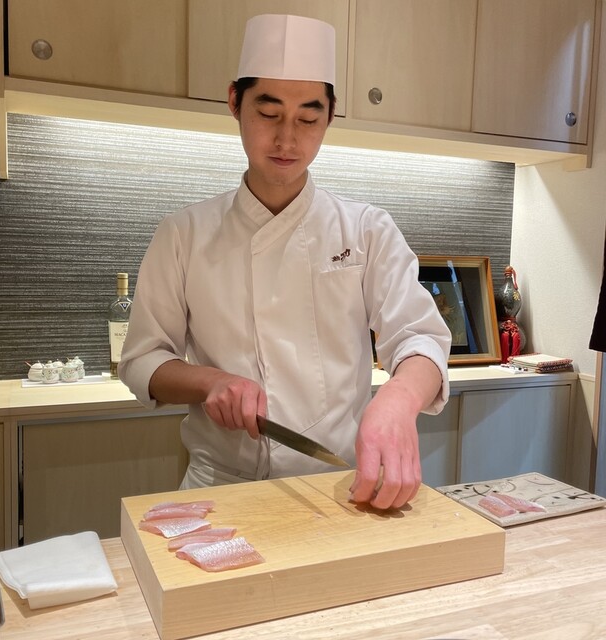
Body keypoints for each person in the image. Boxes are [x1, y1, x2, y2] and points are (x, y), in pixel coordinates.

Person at [118, 14, 451, 510]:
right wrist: (211, 382)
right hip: (221, 489)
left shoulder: (367, 230)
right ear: (235, 102)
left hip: (341, 486)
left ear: (330, 115)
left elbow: (420, 338)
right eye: (269, 113)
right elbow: (142, 361)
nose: (287, 140)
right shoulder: (184, 233)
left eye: (308, 119)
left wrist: (398, 402)